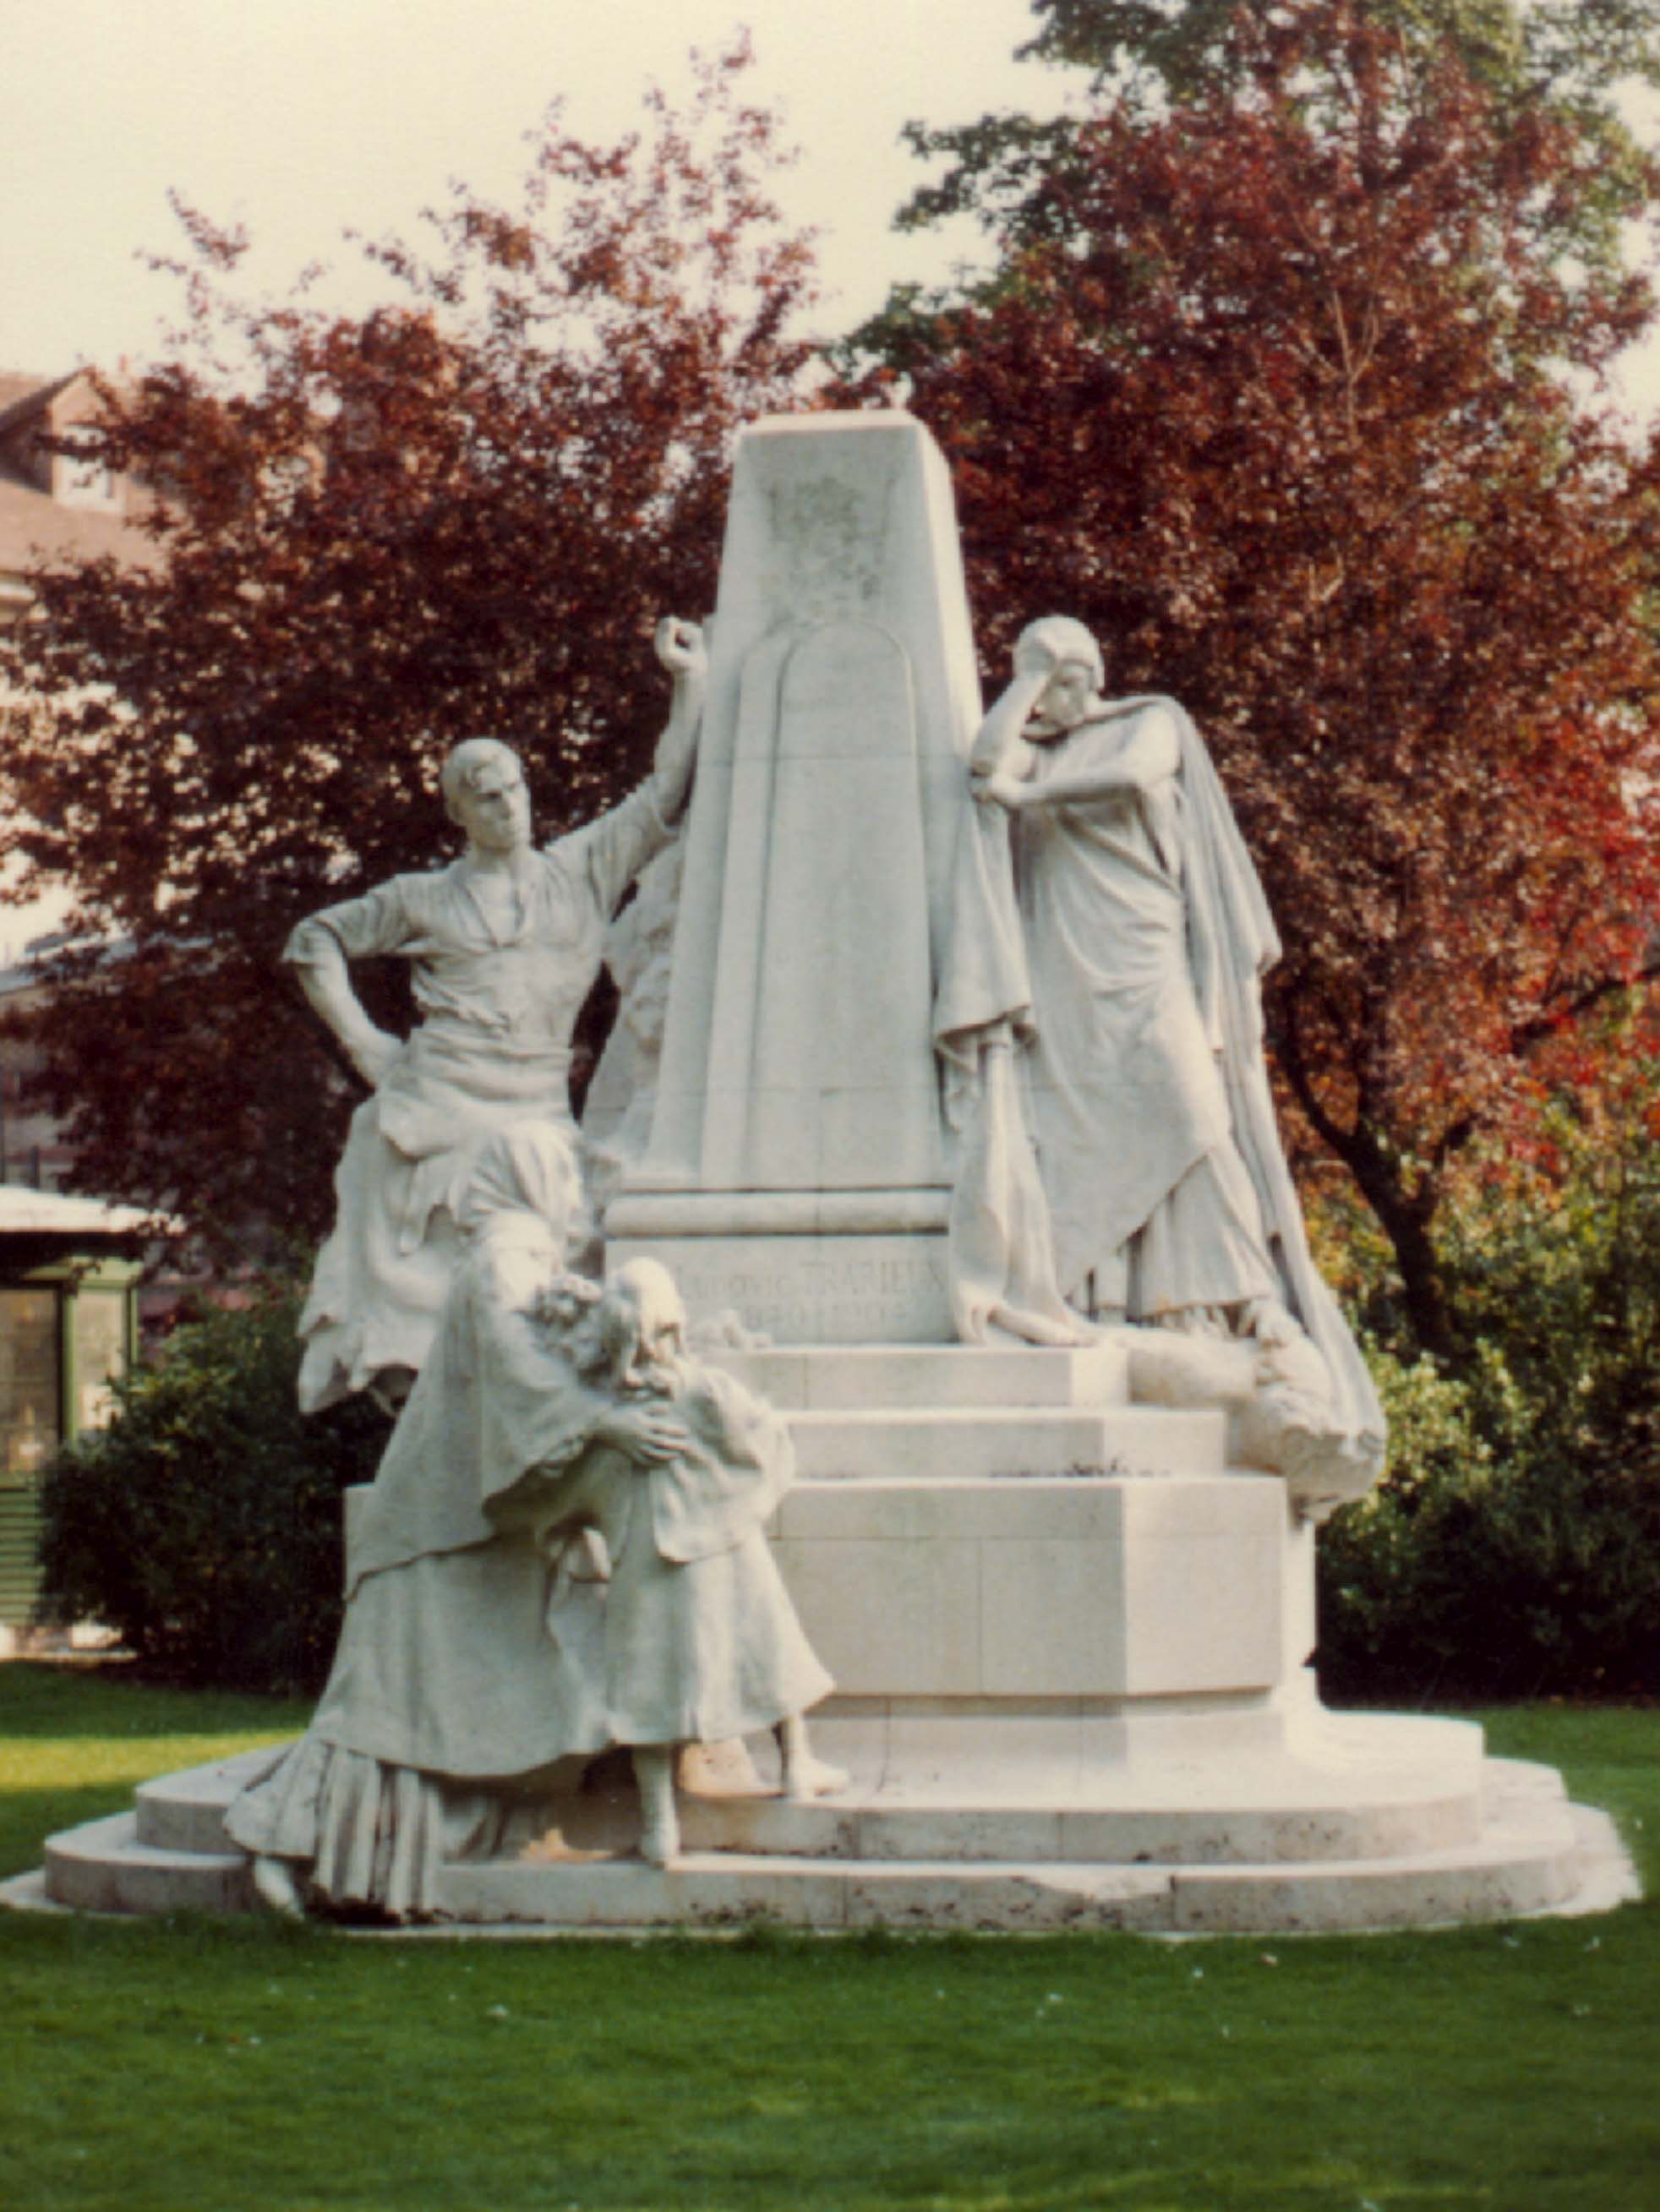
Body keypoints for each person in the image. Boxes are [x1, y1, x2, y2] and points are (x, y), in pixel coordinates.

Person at [227, 1122, 839, 1920]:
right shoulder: (503, 1260)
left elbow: (556, 1351)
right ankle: (293, 1849)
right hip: (439, 1530)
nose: (576, 1196)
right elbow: (521, 1377)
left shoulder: (521, 1258)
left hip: (462, 1521)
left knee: (415, 1714)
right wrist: (607, 1423)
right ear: (535, 1180)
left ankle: (337, 1853)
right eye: (565, 1177)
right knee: (387, 1712)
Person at [958, 614, 1382, 1500]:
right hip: (1061, 969)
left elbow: (1133, 777)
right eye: (1041, 675)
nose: (1055, 692)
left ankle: (1245, 1308)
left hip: (1141, 957)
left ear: (1093, 670)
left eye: (1063, 673)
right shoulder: (1036, 740)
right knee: (1079, 1134)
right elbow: (979, 764)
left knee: (1193, 1117)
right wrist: (1021, 682)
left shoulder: (1148, 721)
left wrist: (1026, 799)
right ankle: (1102, 1306)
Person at [288, 618, 707, 1414]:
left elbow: (663, 795)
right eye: (483, 794)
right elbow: (314, 940)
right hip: (440, 1117)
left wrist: (691, 682)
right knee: (434, 1340)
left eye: (512, 785)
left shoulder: (580, 868)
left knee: (540, 1311)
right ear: (457, 812)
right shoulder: (426, 898)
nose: (505, 803)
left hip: (539, 1116)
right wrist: (367, 1044)